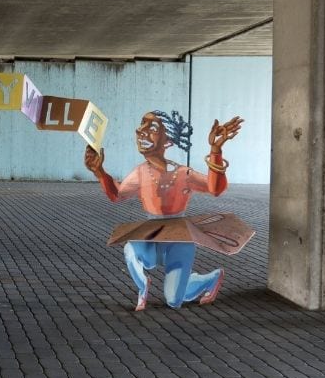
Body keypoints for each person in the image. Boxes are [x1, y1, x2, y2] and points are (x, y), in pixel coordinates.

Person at [84, 110, 243, 310]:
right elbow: (117, 195)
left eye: (152, 128)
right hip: (151, 237)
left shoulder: (183, 174)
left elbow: (215, 188)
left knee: (174, 301)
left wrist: (216, 150)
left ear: (168, 141)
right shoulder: (140, 173)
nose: (141, 131)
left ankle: (209, 279)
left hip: (179, 240)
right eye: (142, 124)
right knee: (130, 250)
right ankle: (143, 287)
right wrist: (99, 172)